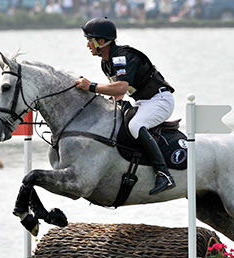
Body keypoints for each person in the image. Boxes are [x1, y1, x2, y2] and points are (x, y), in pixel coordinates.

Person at [75, 17, 176, 196]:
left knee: (135, 125)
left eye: (89, 41)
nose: (87, 45)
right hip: (143, 101)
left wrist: (91, 86)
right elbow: (118, 93)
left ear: (101, 41)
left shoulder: (121, 56)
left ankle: (163, 173)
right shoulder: (106, 63)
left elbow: (121, 87)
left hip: (160, 100)